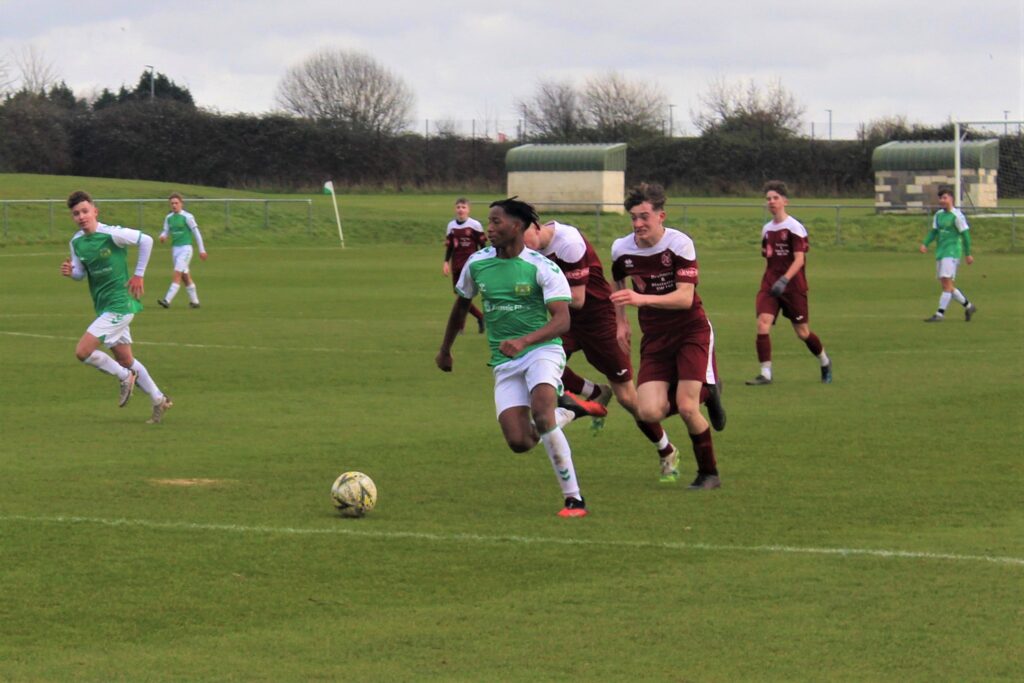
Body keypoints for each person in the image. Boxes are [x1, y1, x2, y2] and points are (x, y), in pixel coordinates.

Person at [436, 197, 607, 517]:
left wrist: (525, 341)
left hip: (542, 351)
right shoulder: (477, 263)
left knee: (542, 415)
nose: (489, 228)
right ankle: (570, 410)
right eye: (489, 221)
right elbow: (460, 306)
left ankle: (574, 500)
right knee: (520, 442)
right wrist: (445, 349)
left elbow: (562, 320)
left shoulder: (542, 267)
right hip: (504, 362)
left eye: (496, 222)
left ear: (517, 226)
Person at [524, 218, 722, 475]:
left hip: (598, 323)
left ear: (534, 226)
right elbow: (617, 277)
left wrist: (620, 320)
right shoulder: (526, 249)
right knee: (533, 357)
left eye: (523, 237)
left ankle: (669, 446)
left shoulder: (568, 242)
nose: (522, 248)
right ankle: (593, 392)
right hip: (566, 321)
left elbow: (579, 298)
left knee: (630, 400)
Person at [609, 183, 724, 490]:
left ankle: (709, 474)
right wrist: (622, 322)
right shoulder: (622, 249)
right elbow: (618, 282)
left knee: (687, 407)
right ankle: (706, 390)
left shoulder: (680, 243)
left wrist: (640, 300)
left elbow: (685, 298)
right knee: (647, 411)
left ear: (661, 215)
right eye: (633, 217)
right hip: (655, 338)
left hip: (691, 330)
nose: (637, 224)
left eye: (644, 216)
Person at [60, 190, 173, 424]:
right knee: (126, 358)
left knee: (83, 352)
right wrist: (72, 273)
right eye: (76, 214)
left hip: (120, 306)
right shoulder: (76, 242)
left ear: (95, 211)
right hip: (104, 307)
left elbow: (146, 240)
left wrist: (139, 275)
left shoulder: (112, 234)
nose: (81, 216)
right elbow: (81, 273)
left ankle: (124, 378)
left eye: (85, 211)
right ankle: (159, 399)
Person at [745, 180, 832, 386]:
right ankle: (765, 373)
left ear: (785, 201)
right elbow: (767, 256)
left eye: (775, 198)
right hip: (770, 285)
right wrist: (773, 279)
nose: (771, 202)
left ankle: (825, 361)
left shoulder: (795, 228)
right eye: (768, 199)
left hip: (792, 286)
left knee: (802, 332)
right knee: (762, 324)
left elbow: (799, 259)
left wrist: (784, 280)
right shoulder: (766, 229)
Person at [920, 187, 977, 322]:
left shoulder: (957, 216)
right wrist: (925, 243)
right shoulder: (938, 215)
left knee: (946, 284)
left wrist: (968, 254)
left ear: (951, 199)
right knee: (947, 285)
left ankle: (940, 314)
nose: (942, 201)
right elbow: (934, 232)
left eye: (945, 198)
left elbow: (966, 235)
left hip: (952, 252)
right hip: (941, 252)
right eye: (940, 198)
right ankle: (969, 306)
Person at [442, 197, 487, 333]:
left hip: (470, 265)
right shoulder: (451, 226)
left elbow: (483, 246)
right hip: (456, 265)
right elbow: (450, 247)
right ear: (455, 209)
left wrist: (482, 263)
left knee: (464, 297)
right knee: (461, 296)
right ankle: (477, 318)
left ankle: (461, 325)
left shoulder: (475, 225)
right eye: (458, 207)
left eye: (463, 207)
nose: (461, 210)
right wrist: (446, 262)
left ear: (468, 209)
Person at [157, 192, 207, 309]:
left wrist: (202, 250)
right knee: (185, 276)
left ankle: (167, 300)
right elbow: (166, 231)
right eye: (172, 203)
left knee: (177, 274)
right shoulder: (168, 218)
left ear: (181, 204)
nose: (174, 205)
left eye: (176, 203)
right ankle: (195, 302)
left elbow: (196, 233)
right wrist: (163, 236)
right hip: (175, 249)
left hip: (186, 249)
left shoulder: (188, 217)